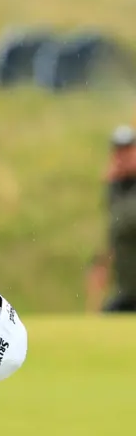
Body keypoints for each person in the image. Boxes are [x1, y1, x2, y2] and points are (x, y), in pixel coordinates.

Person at [86, 125, 136, 313]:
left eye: (128, 151)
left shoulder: (119, 189)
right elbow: (114, 231)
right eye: (118, 152)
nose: (123, 158)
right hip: (127, 289)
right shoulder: (117, 188)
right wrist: (101, 261)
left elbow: (128, 221)